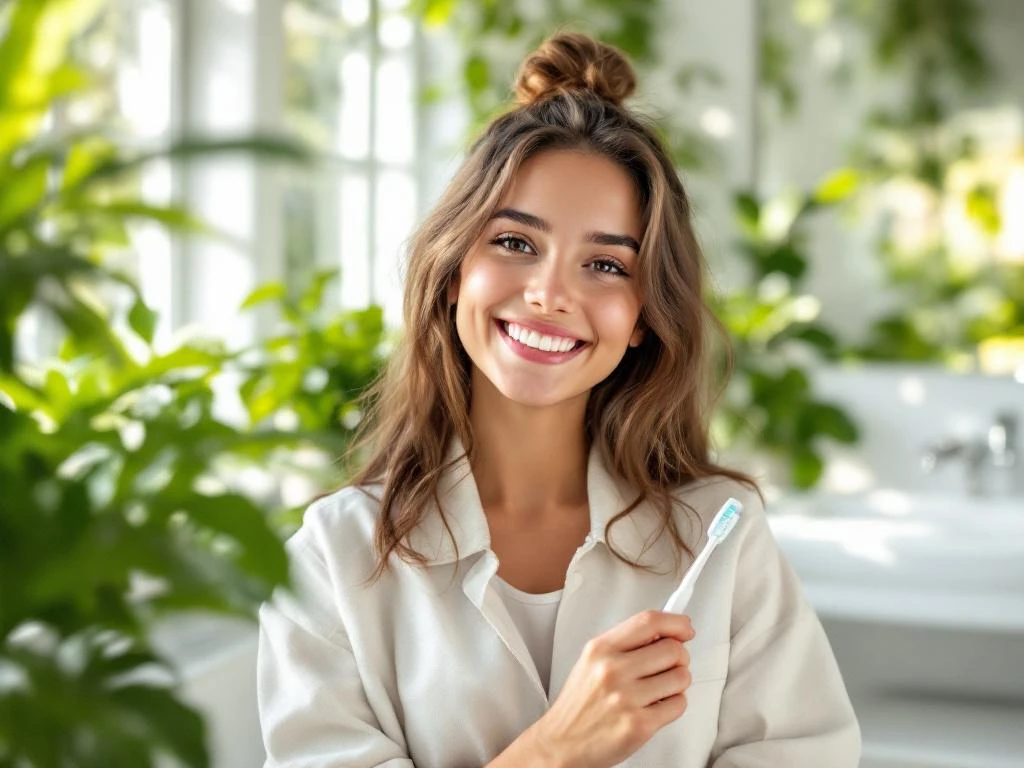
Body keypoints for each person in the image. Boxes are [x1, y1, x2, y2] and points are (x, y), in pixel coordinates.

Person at [257, 31, 860, 768]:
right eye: (515, 243)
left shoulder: (719, 539)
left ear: (641, 318)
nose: (550, 294)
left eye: (605, 264)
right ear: (453, 274)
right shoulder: (332, 560)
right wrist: (554, 752)